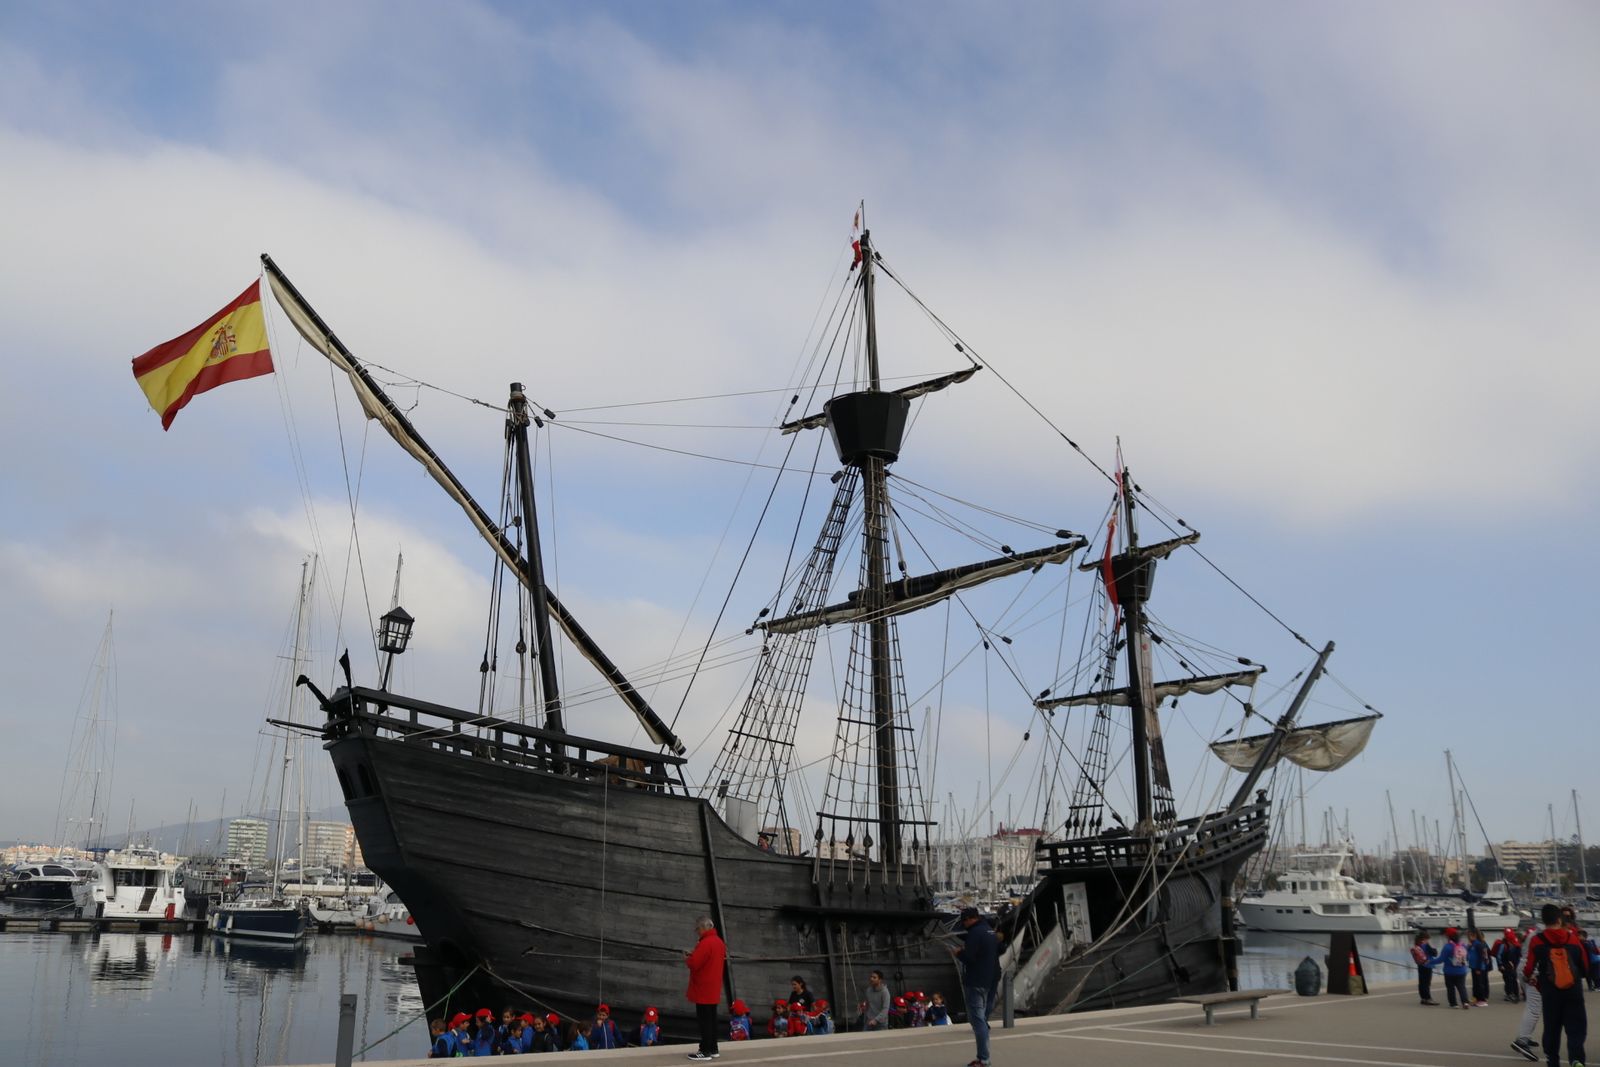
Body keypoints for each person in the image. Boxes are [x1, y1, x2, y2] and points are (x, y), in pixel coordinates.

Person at [1523, 902, 1588, 1067]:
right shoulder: (1572, 938)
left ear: (1544, 921)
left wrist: (1530, 978)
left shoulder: (1537, 940)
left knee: (1552, 1027)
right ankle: (1576, 1059)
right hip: (1573, 990)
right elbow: (1584, 964)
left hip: (1550, 991)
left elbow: (1529, 968)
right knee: (1576, 1026)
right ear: (1559, 920)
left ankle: (1552, 1061)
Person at [956, 906, 1000, 1067]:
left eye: (964, 921)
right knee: (982, 1017)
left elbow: (969, 958)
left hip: (976, 981)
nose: (964, 924)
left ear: (970, 919)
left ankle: (983, 1058)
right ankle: (983, 1056)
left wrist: (959, 953)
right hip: (990, 979)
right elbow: (999, 949)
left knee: (977, 1020)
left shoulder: (974, 933)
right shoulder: (989, 931)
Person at [684, 914, 726, 1061]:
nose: (696, 932)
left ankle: (705, 1050)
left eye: (697, 929)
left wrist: (688, 958)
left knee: (704, 1021)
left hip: (703, 988)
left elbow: (694, 963)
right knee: (712, 1019)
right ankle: (713, 1048)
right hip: (713, 988)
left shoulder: (705, 943)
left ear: (703, 928)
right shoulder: (719, 942)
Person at [1437, 927, 1471, 1009]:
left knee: (1450, 988)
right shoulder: (1463, 945)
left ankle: (1454, 1004)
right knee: (1462, 987)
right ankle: (1465, 1002)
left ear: (1448, 936)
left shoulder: (1447, 947)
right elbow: (1468, 957)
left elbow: (1440, 959)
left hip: (1449, 971)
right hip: (1462, 970)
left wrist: (1429, 961)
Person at [1495, 929, 1524, 1003]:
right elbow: (1519, 955)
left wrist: (1500, 964)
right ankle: (1514, 994)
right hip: (1512, 964)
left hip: (1509, 965)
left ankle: (1510, 994)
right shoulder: (1514, 944)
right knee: (1512, 979)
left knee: (1509, 979)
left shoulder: (1504, 944)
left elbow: (1499, 955)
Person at [1412, 931, 1440, 1006]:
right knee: (1427, 983)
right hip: (1428, 965)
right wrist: (1432, 946)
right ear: (1425, 938)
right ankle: (1428, 998)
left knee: (1421, 982)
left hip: (1420, 965)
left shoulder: (1417, 944)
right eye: (1428, 939)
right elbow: (1435, 954)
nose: (1428, 940)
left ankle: (1423, 998)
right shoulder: (1426, 945)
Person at [1469, 929, 1493, 1006]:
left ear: (1475, 935)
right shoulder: (1473, 944)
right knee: (1476, 983)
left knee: (1480, 983)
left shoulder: (1479, 944)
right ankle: (1477, 998)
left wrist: (1478, 968)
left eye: (1471, 935)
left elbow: (1481, 957)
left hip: (1479, 967)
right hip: (1473, 966)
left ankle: (1482, 999)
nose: (1469, 937)